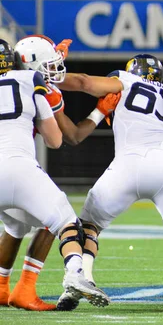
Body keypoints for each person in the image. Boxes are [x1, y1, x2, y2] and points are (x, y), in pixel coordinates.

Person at [55, 54, 163, 312]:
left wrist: (48, 78)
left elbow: (83, 82)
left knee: (88, 226)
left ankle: (84, 278)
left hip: (128, 164)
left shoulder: (124, 81)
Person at [0, 38, 109, 309]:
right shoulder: (31, 81)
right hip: (19, 165)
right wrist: (101, 111)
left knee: (16, 225)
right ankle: (74, 273)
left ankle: (7, 289)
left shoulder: (33, 78)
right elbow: (59, 139)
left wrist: (53, 56)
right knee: (63, 220)